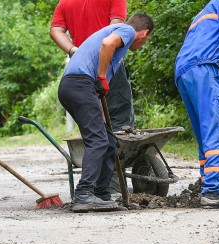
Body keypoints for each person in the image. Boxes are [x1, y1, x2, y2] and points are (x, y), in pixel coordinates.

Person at [57, 13, 153, 213]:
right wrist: (101, 77)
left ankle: (101, 194)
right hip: (80, 84)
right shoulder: (126, 30)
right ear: (144, 33)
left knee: (109, 141)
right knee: (98, 140)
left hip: (75, 86)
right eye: (147, 40)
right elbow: (108, 44)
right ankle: (84, 194)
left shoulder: (118, 37)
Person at [174, 0, 219, 208]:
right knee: (217, 128)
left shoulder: (203, 13)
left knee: (205, 131)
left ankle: (208, 182)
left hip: (184, 70)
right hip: (206, 67)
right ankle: (214, 190)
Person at [50, 0, 134, 131]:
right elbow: (116, 27)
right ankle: (120, 149)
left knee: (94, 118)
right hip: (108, 62)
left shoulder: (65, 2)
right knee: (120, 118)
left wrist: (73, 50)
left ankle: (99, 146)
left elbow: (55, 31)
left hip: (82, 68)